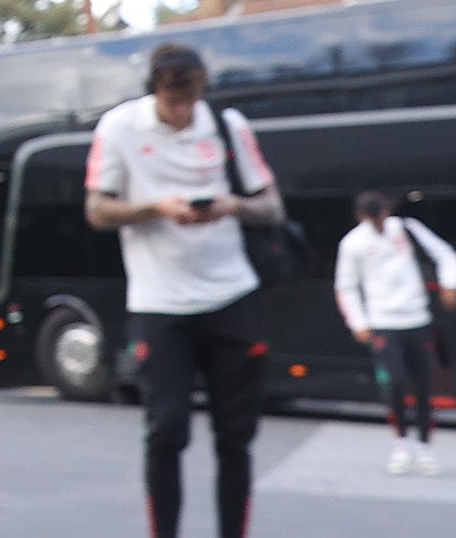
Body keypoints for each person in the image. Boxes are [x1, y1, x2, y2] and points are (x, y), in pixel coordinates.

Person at [85, 41, 285, 538]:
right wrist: (157, 208)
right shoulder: (119, 127)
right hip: (160, 302)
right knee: (167, 430)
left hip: (231, 296)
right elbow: (98, 210)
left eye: (191, 98)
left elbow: (272, 208)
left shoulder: (227, 127)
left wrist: (229, 205)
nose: (183, 110)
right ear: (153, 91)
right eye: (173, 100)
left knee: (235, 439)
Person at [335, 190, 456, 476]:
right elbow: (346, 286)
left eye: (383, 216)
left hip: (417, 319)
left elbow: (446, 255)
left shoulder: (406, 229)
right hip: (383, 323)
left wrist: (450, 284)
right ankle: (401, 442)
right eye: (373, 219)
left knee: (423, 386)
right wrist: (358, 322)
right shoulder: (353, 244)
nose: (380, 223)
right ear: (362, 218)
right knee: (393, 382)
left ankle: (425, 447)